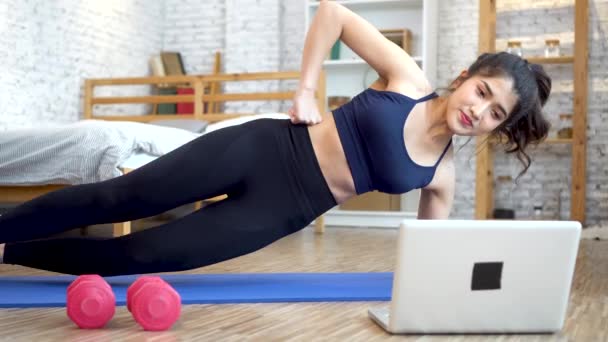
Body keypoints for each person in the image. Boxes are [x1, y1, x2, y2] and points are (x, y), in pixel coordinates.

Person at [0, 1, 551, 276]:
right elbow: (332, 12)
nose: (479, 111)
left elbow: (431, 255)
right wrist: (306, 90)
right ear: (464, 80)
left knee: (143, 254)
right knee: (117, 197)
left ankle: (11, 250)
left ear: (499, 126)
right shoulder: (408, 80)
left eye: (495, 113)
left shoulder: (442, 175)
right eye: (481, 93)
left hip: (285, 208)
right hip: (264, 148)